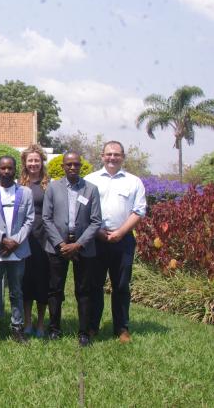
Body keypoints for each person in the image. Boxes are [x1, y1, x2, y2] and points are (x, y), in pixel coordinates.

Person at [85, 141, 146, 344]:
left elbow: (139, 211)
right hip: (96, 239)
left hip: (123, 239)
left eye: (116, 155)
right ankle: (92, 326)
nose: (112, 158)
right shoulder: (90, 180)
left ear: (123, 157)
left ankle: (121, 328)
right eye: (109, 154)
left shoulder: (134, 181)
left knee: (121, 285)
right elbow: (82, 211)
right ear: (102, 156)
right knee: (95, 285)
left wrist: (120, 232)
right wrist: (99, 232)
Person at [42, 151, 102, 347]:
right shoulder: (53, 188)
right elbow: (46, 218)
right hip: (56, 246)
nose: (73, 167)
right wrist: (60, 244)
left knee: (84, 291)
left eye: (76, 164)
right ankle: (54, 329)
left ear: (80, 166)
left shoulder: (91, 189)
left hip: (83, 247)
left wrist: (78, 244)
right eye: (69, 164)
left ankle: (84, 332)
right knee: (54, 290)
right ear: (63, 167)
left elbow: (95, 221)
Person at [0, 156, 34, 343]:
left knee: (16, 291)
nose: (6, 171)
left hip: (18, 252)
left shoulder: (25, 192)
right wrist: (3, 240)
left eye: (9, 168)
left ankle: (17, 327)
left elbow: (30, 220)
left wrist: (15, 242)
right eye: (2, 168)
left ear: (15, 170)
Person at [19, 144, 50, 338]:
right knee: (25, 282)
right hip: (24, 238)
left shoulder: (50, 184)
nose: (33, 164)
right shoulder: (19, 184)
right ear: (25, 162)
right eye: (30, 160)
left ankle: (41, 324)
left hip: (44, 239)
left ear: (41, 162)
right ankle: (27, 322)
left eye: (36, 160)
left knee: (42, 282)